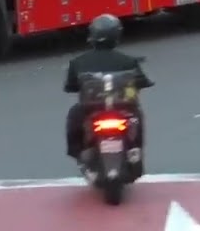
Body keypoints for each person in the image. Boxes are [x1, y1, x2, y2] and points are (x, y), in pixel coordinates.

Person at [63, 14, 153, 161]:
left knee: (74, 115)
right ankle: (135, 149)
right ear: (117, 35)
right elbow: (142, 81)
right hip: (123, 107)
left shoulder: (77, 62)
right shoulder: (128, 61)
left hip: (90, 109)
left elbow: (70, 86)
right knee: (137, 116)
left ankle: (78, 152)